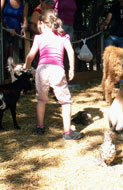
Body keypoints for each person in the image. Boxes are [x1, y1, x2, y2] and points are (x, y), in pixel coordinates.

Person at [23, 9, 84, 140]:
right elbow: (71, 52)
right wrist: (71, 68)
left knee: (41, 100)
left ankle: (40, 127)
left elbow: (31, 55)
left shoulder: (38, 37)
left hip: (41, 70)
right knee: (65, 102)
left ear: (42, 24)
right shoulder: (63, 37)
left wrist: (26, 66)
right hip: (57, 69)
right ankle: (67, 132)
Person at [1, 0, 28, 78]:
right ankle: (4, 79)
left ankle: (12, 79)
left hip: (16, 34)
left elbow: (25, 20)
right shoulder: (5, 1)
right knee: (4, 55)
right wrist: (7, 28)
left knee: (13, 57)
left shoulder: (24, 3)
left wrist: (24, 29)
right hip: (4, 31)